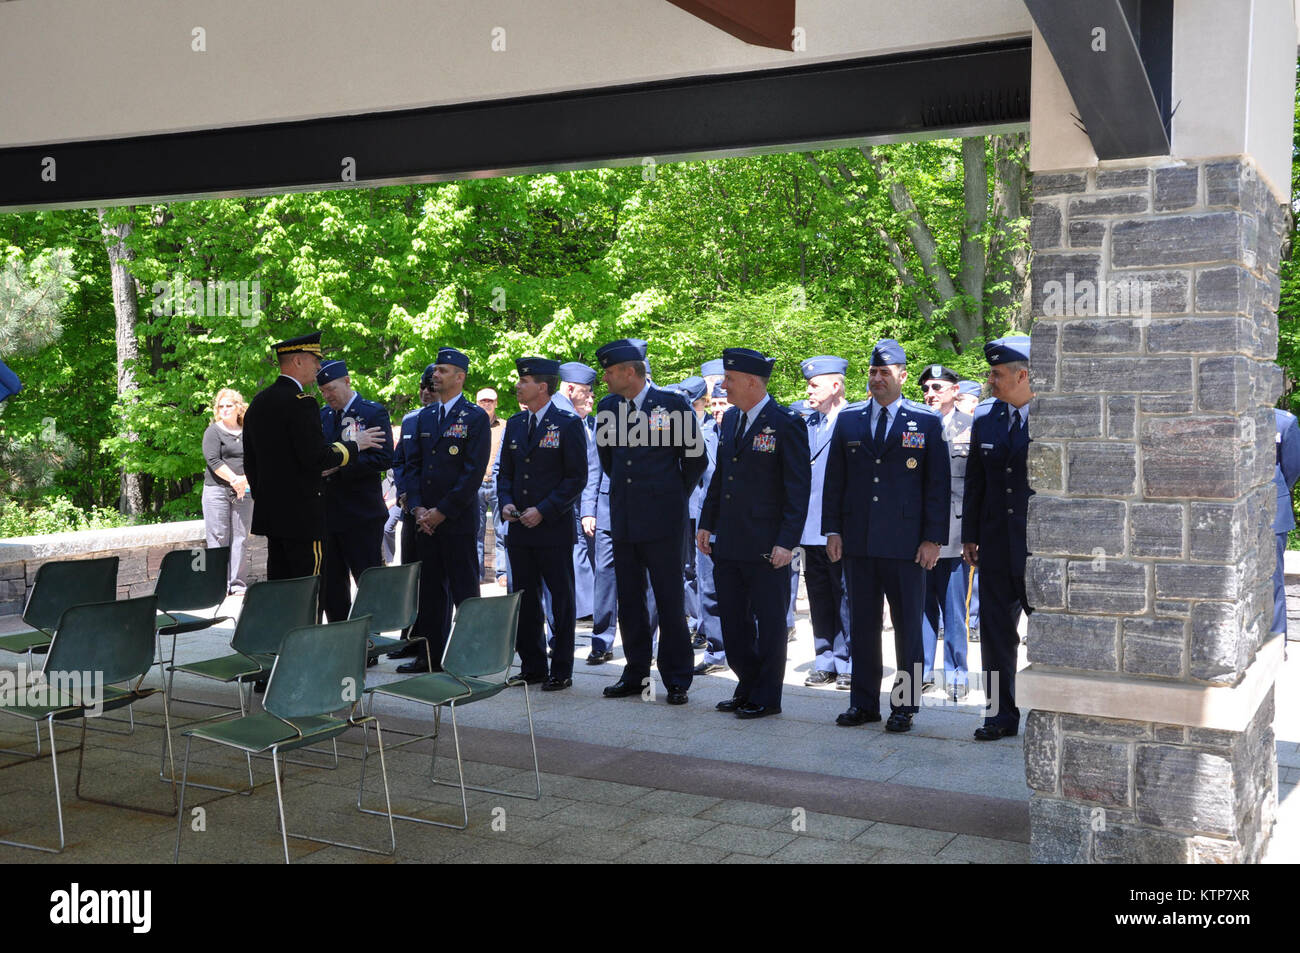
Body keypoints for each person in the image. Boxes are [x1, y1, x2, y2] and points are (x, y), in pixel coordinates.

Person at [823, 339, 949, 734]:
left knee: (908, 628)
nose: (877, 379)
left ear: (903, 376)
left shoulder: (925, 421)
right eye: (873, 373)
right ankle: (862, 702)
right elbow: (835, 481)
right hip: (859, 541)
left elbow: (937, 486)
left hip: (906, 545)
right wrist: (833, 530)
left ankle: (904, 705)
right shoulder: (851, 419)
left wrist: (933, 539)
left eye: (885, 373)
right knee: (861, 625)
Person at [697, 348, 810, 719]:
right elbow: (720, 478)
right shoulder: (730, 419)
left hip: (766, 545)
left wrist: (786, 542)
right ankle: (746, 684)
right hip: (729, 540)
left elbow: (797, 489)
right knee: (732, 622)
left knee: (770, 622)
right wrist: (706, 522)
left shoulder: (785, 422)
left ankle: (767, 695)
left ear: (750, 381)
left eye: (728, 379)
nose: (722, 385)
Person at [595, 338, 706, 705]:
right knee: (629, 601)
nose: (605, 378)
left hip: (663, 522)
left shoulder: (672, 406)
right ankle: (636, 673)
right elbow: (609, 460)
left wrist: (670, 495)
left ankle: (676, 678)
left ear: (631, 372)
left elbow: (696, 460)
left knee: (669, 600)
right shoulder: (608, 407)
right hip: (624, 519)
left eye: (610, 372)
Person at [243, 331, 380, 588]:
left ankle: (285, 630)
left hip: (274, 517)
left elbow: (251, 461)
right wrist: (354, 445)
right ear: (297, 361)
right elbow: (316, 458)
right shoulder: (301, 402)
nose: (318, 367)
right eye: (314, 360)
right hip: (304, 518)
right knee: (310, 591)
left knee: (282, 591)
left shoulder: (259, 401)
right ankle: (307, 630)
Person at [397, 347, 491, 673]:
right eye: (435, 370)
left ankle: (470, 656)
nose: (435, 375)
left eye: (443, 370)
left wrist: (442, 511)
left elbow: (471, 473)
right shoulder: (424, 417)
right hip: (425, 522)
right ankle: (430, 656)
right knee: (431, 593)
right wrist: (419, 507)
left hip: (456, 520)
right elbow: (413, 466)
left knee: (465, 591)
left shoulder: (474, 417)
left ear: (460, 377)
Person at [498, 357, 589, 690]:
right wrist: (507, 502)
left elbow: (576, 477)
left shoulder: (567, 424)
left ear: (543, 386)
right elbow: (505, 472)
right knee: (524, 599)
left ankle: (561, 668)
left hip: (551, 529)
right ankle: (533, 665)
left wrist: (546, 509)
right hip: (520, 528)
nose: (518, 385)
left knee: (561, 601)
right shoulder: (517, 424)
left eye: (525, 381)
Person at [963, 335, 1033, 740]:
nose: (990, 380)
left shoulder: (1055, 417)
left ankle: (1048, 710)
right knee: (994, 635)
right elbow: (976, 481)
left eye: (996, 373)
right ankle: (999, 715)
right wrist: (970, 534)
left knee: (1046, 637)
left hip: (1038, 550)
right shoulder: (986, 417)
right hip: (994, 546)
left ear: (1022, 374)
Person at [316, 360, 394, 622]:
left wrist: (340, 466)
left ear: (347, 382)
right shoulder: (323, 415)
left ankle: (369, 642)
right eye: (323, 391)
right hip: (329, 513)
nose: (327, 396)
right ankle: (340, 639)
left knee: (368, 581)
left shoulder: (371, 413)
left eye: (331, 389)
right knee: (332, 584)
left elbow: (383, 459)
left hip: (361, 513)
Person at [918, 364, 973, 701]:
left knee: (953, 610)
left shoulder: (972, 427)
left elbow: (977, 484)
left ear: (955, 390)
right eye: (926, 388)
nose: (931, 394)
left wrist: (973, 533)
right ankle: (922, 671)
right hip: (919, 532)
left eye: (937, 387)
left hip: (954, 533)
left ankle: (957, 673)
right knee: (920, 608)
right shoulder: (915, 424)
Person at [798, 357, 853, 689]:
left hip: (840, 528)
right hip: (810, 528)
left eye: (814, 384)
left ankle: (849, 661)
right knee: (819, 596)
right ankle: (826, 658)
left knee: (846, 597)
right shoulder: (809, 424)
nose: (808, 390)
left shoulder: (854, 421)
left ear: (835, 386)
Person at [387, 366, 436, 658]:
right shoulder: (410, 420)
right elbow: (401, 462)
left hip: (436, 514)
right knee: (411, 577)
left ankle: (432, 641)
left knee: (434, 583)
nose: (426, 392)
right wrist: (406, 495)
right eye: (422, 387)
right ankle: (409, 636)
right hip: (411, 510)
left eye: (431, 386)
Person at [201, 387, 254, 595]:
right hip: (217, 491)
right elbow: (213, 460)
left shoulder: (249, 430)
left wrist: (244, 480)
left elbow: (258, 458)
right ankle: (218, 586)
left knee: (241, 537)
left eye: (228, 405)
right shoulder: (213, 431)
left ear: (238, 407)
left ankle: (238, 584)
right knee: (218, 537)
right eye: (220, 406)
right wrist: (234, 480)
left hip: (244, 490)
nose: (224, 409)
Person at [954, 380, 983, 639]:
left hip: (973, 511)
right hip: (954, 513)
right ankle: (961, 619)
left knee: (975, 572)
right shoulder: (949, 426)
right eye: (969, 402)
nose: (974, 407)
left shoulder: (979, 426)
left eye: (976, 402)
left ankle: (974, 619)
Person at [1273, 408, 1300, 637]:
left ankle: (1276, 640)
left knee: (1273, 581)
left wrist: (1277, 492)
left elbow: (1292, 468)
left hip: (1273, 513)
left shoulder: (1284, 422)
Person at [477, 387, 509, 582]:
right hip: (475, 485)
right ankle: (477, 573)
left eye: (490, 400)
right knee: (475, 531)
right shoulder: (470, 425)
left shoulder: (506, 426)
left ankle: (503, 573)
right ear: (477, 402)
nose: (486, 404)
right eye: (483, 401)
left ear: (496, 403)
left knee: (501, 531)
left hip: (497, 484)